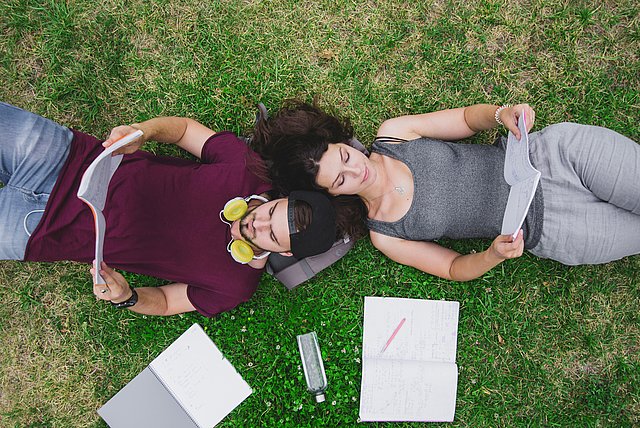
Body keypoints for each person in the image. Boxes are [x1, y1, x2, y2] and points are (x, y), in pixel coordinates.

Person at [0, 101, 338, 317]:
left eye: (271, 235)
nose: (256, 224)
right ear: (279, 197)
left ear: (285, 253)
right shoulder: (247, 168)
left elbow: (165, 302)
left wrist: (127, 296)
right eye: (270, 211)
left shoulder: (234, 285)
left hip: (39, 229)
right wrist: (142, 133)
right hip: (63, 155)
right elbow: (186, 131)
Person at [252, 101, 640, 281]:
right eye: (340, 180)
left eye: (344, 156)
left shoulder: (394, 134)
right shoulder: (385, 234)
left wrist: (498, 115)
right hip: (553, 229)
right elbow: (453, 268)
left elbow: (465, 120)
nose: (357, 168)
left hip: (553, 157)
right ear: (333, 196)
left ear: (339, 141)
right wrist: (491, 255)